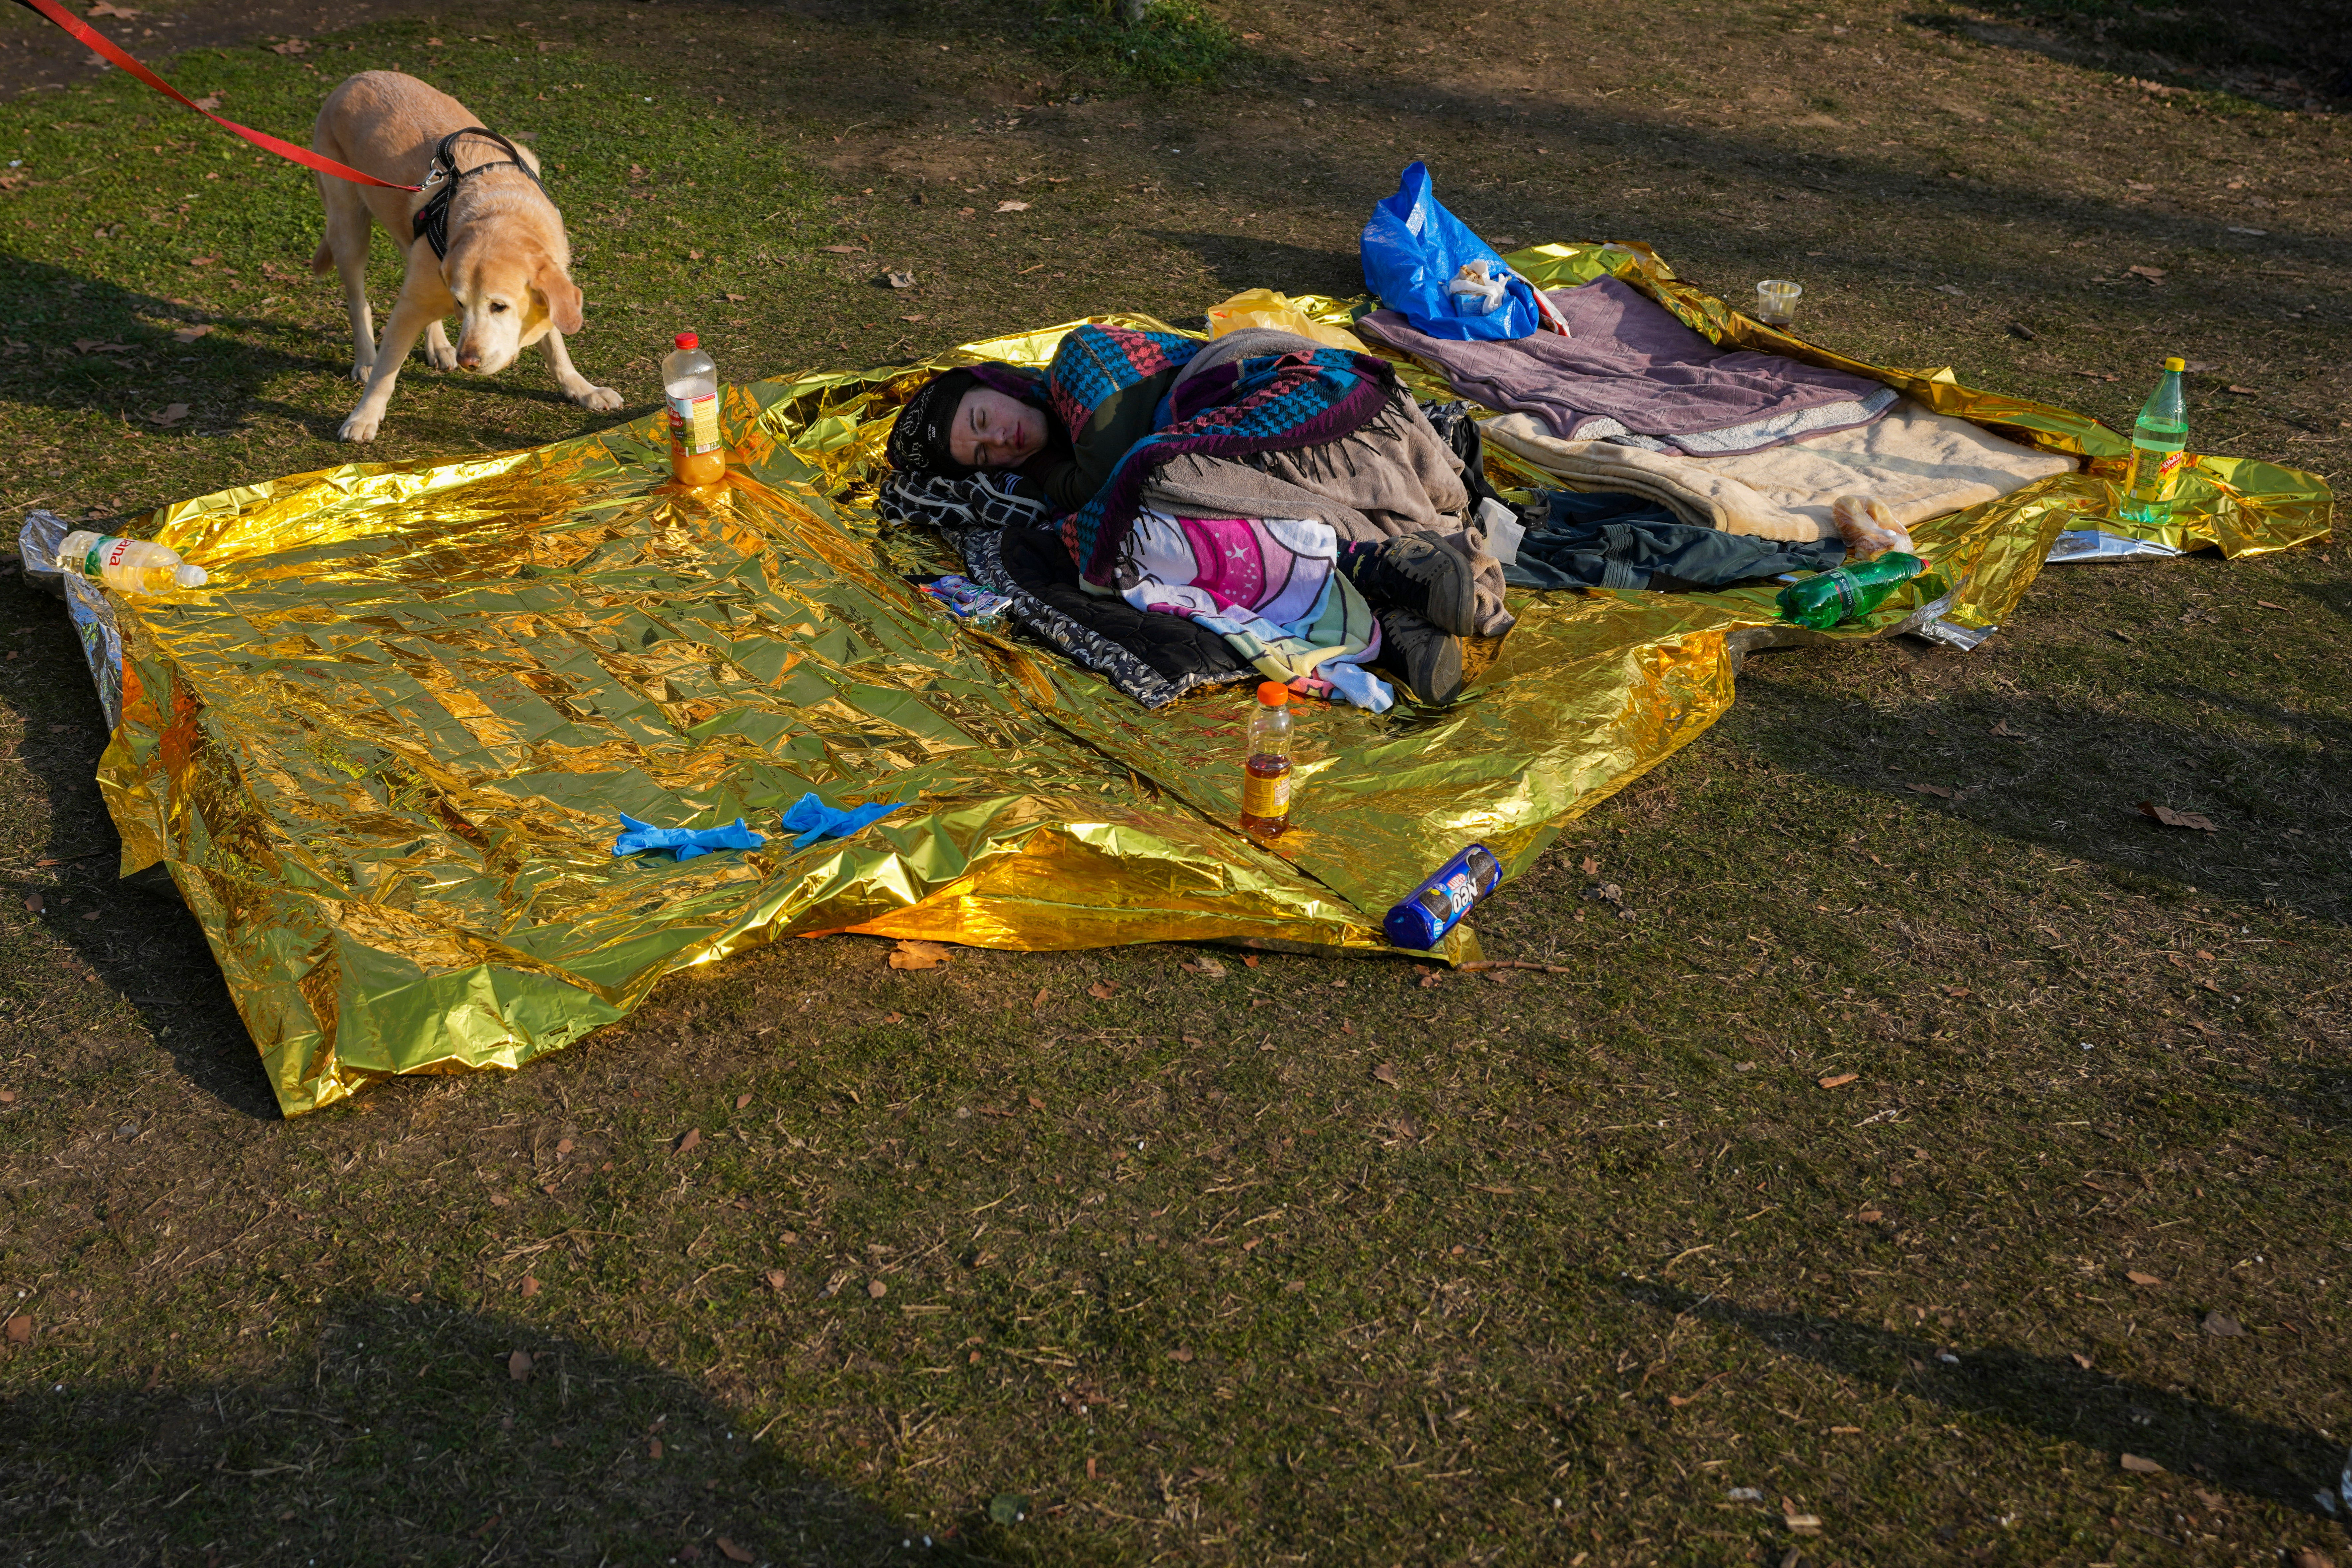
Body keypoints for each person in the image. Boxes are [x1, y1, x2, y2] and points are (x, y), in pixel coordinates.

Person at [885, 325, 1511, 707]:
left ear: (994, 384)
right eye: (987, 455)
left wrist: (1043, 475)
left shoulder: (1081, 360)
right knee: (1157, 541)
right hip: (1295, 469)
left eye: (983, 421)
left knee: (1149, 487)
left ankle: (1376, 568)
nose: (1003, 441)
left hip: (1318, 406)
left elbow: (1106, 479)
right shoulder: (1061, 444)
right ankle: (1394, 615)